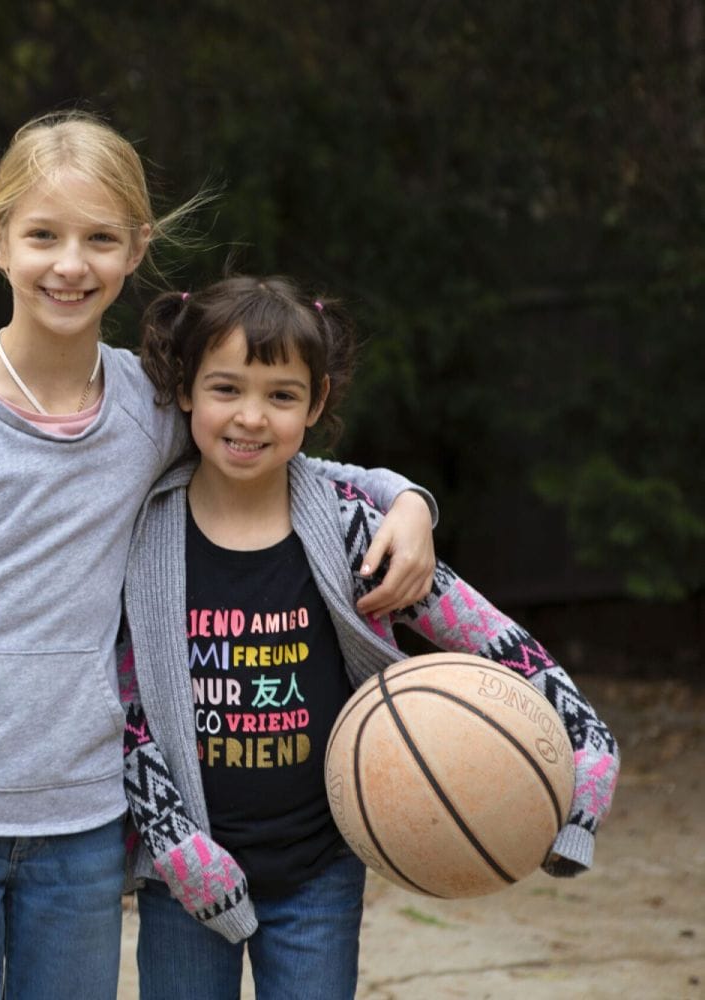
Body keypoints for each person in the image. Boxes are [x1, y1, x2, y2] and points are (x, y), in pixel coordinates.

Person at [0, 111, 439, 1000]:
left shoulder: (148, 408)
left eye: (99, 238)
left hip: (86, 822)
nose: (70, 264)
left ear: (136, 248)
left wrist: (407, 499)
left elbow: (279, 453)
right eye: (43, 235)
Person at [119, 275, 621, 1000]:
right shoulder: (141, 534)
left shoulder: (353, 529)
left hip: (320, 869)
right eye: (226, 388)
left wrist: (588, 745)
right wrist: (174, 842)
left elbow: (501, 644)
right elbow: (121, 702)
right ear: (187, 389)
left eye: (282, 395)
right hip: (186, 873)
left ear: (317, 402)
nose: (251, 417)